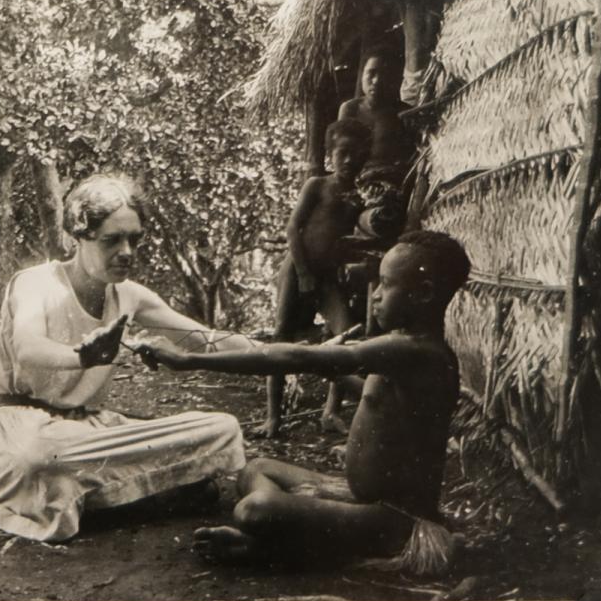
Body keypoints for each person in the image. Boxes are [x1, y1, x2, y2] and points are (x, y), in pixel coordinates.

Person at [133, 231, 470, 575]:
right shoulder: (404, 346)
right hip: (365, 502)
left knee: (256, 510)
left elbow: (295, 356)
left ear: (424, 293)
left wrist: (190, 360)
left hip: (395, 520)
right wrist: (336, 373)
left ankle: (267, 549)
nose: (376, 295)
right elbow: (376, 399)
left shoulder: (418, 352)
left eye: (385, 284)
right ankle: (290, 538)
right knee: (257, 469)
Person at [0, 173, 256, 543]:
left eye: (133, 239)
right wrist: (82, 357)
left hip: (91, 432)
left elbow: (204, 339)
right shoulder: (36, 283)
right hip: (24, 429)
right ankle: (150, 493)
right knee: (41, 459)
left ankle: (100, 497)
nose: (126, 251)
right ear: (79, 236)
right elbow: (28, 348)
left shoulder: (129, 296)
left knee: (222, 427)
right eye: (112, 240)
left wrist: (278, 352)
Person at [257, 119, 372, 439]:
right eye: (342, 153)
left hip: (329, 278)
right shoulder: (317, 186)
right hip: (298, 269)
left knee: (344, 335)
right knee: (282, 336)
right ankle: (273, 418)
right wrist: (304, 273)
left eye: (355, 154)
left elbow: (352, 236)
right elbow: (294, 228)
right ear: (330, 154)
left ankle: (331, 412)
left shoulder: (360, 197)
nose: (348, 160)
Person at [335, 49, 416, 189]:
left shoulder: (403, 112)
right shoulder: (350, 109)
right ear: (362, 75)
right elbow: (341, 152)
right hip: (354, 180)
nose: (376, 80)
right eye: (371, 73)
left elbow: (410, 157)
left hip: (390, 183)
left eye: (384, 75)